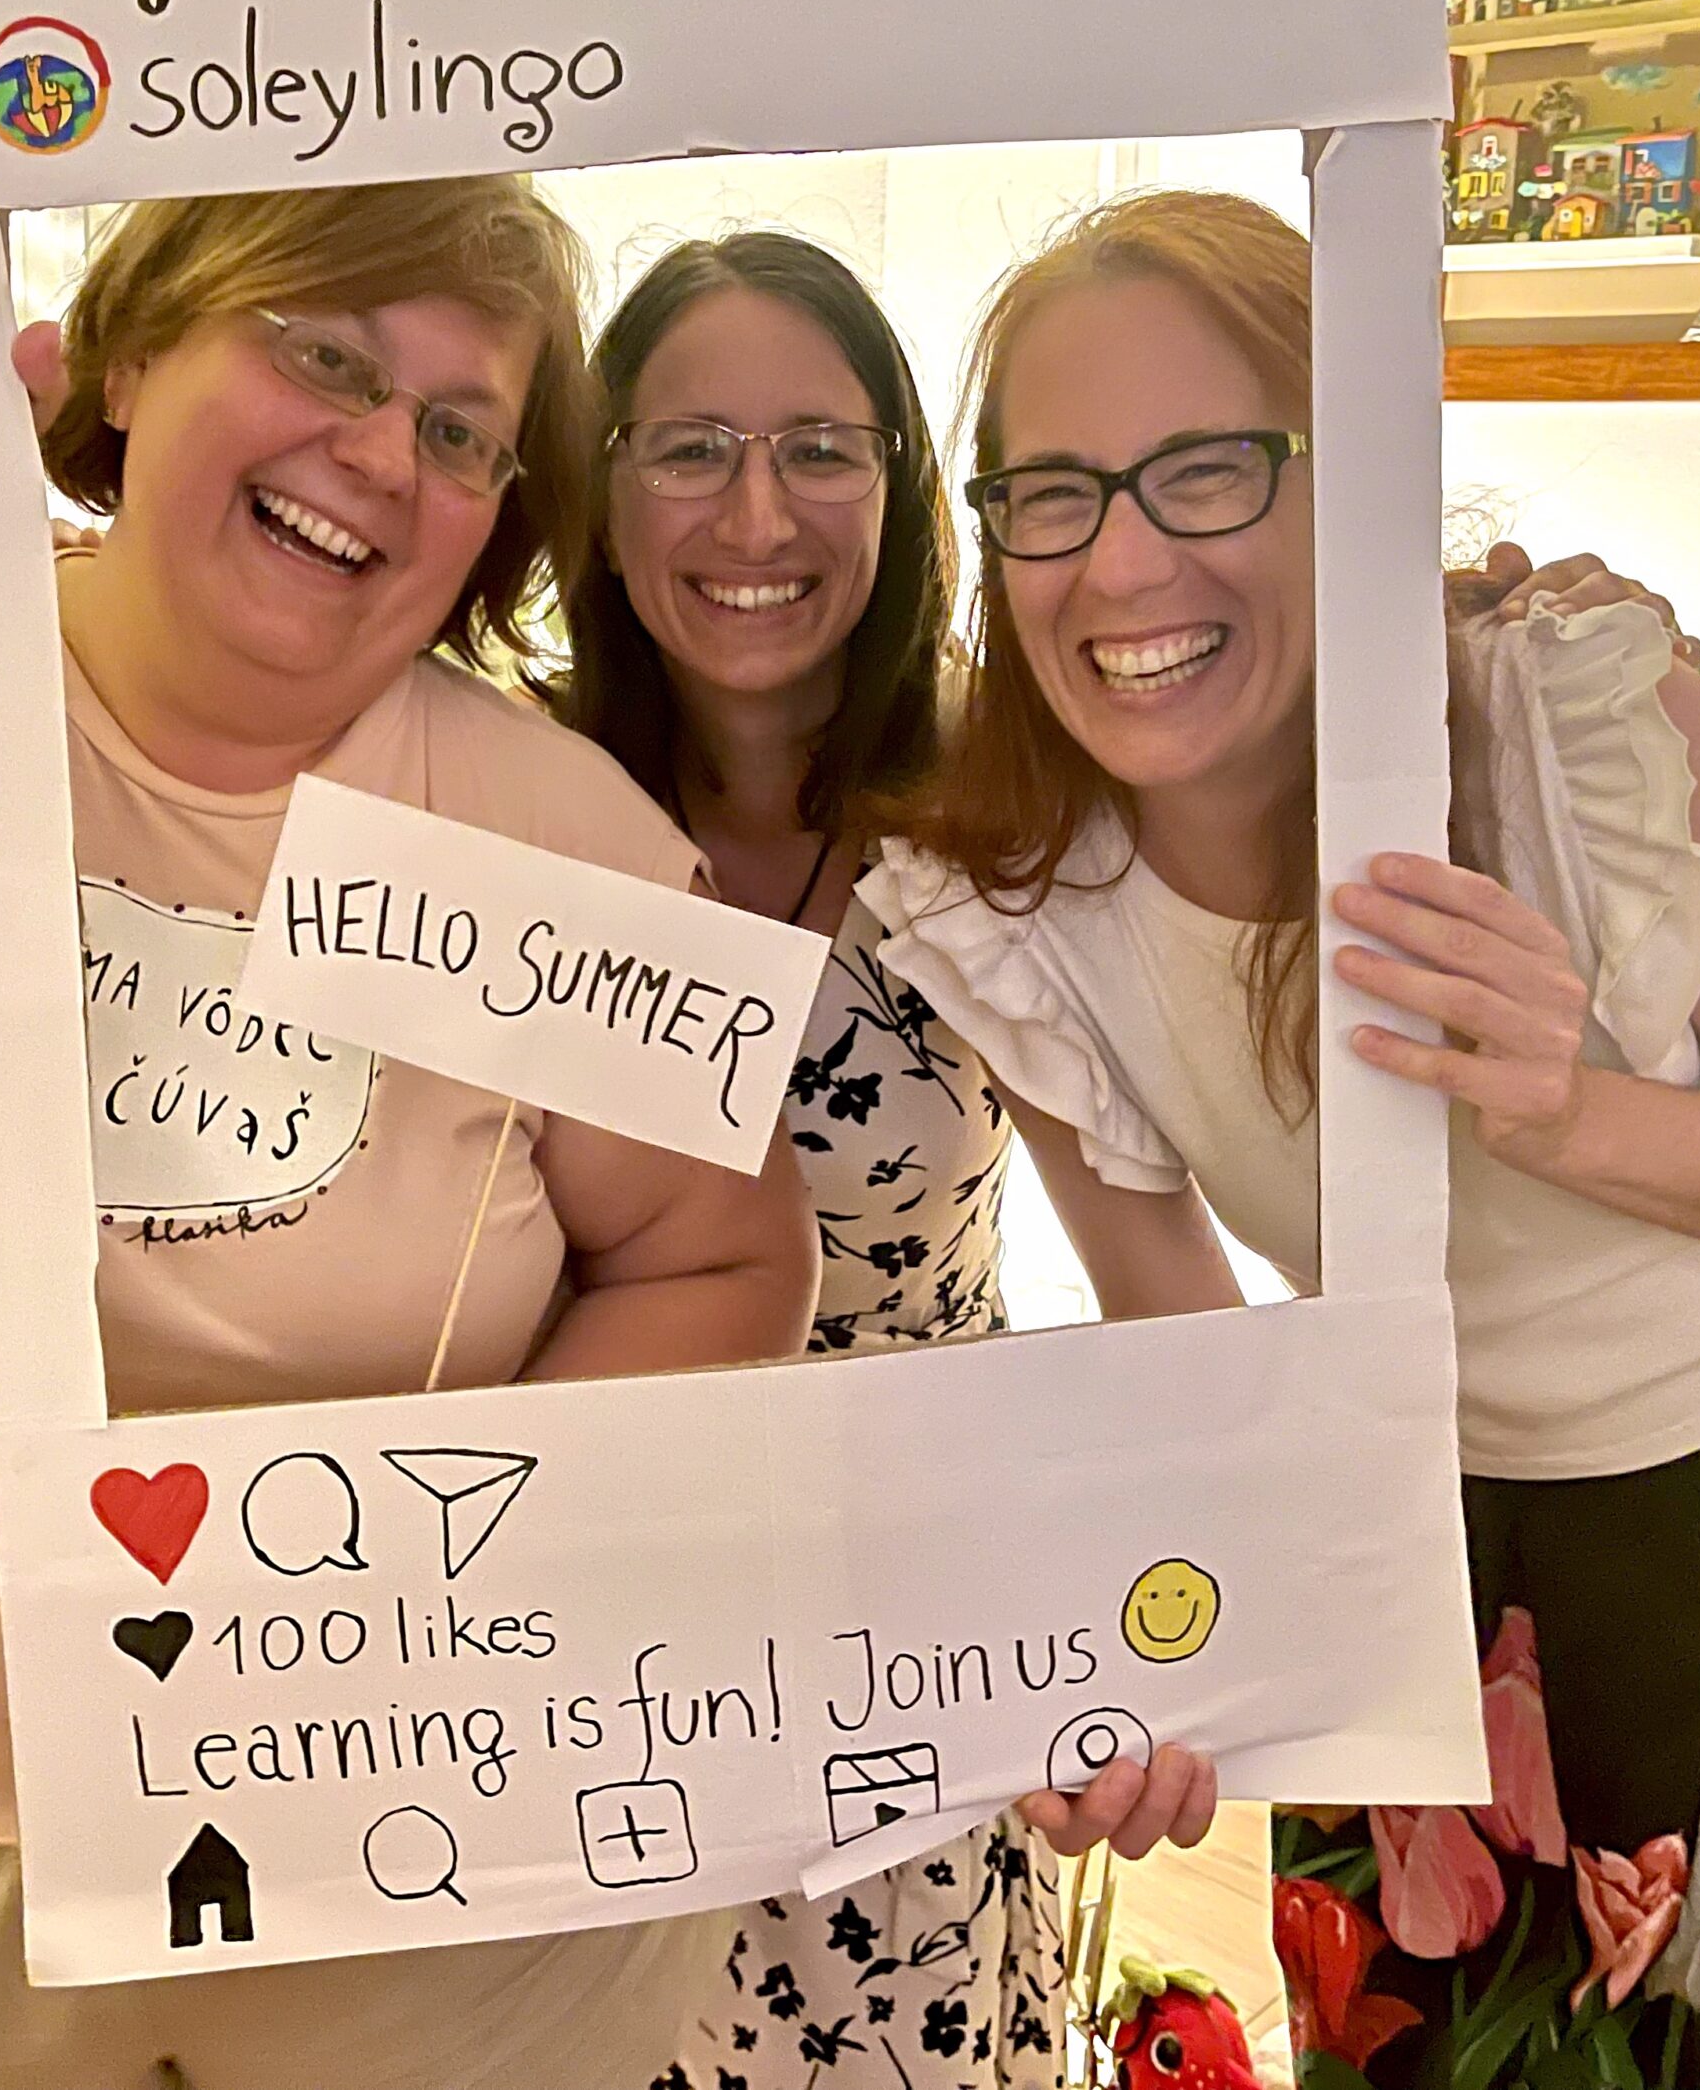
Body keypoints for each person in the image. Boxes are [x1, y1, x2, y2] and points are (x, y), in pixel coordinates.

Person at [0, 87, 821, 2090]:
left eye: (458, 430)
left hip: (417, 1893)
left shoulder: (562, 852)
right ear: (131, 356)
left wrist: (435, 1593)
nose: (379, 454)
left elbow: (726, 1262)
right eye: (325, 356)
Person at [865, 188, 1700, 2083]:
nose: (1123, 563)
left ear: (1344, 470)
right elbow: (1199, 1366)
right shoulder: (1020, 904)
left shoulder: (1564, 724)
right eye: (1056, 492)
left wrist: (1571, 1110)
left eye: (1207, 470)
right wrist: (1141, 1668)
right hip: (1464, 1568)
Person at [542, 231, 1100, 2089]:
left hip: (915, 1651)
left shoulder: (1009, 804)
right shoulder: (500, 804)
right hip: (581, 1644)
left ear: (899, 482)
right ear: (603, 488)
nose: (757, 513)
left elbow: (1165, 1249)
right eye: (690, 447)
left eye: (819, 448)